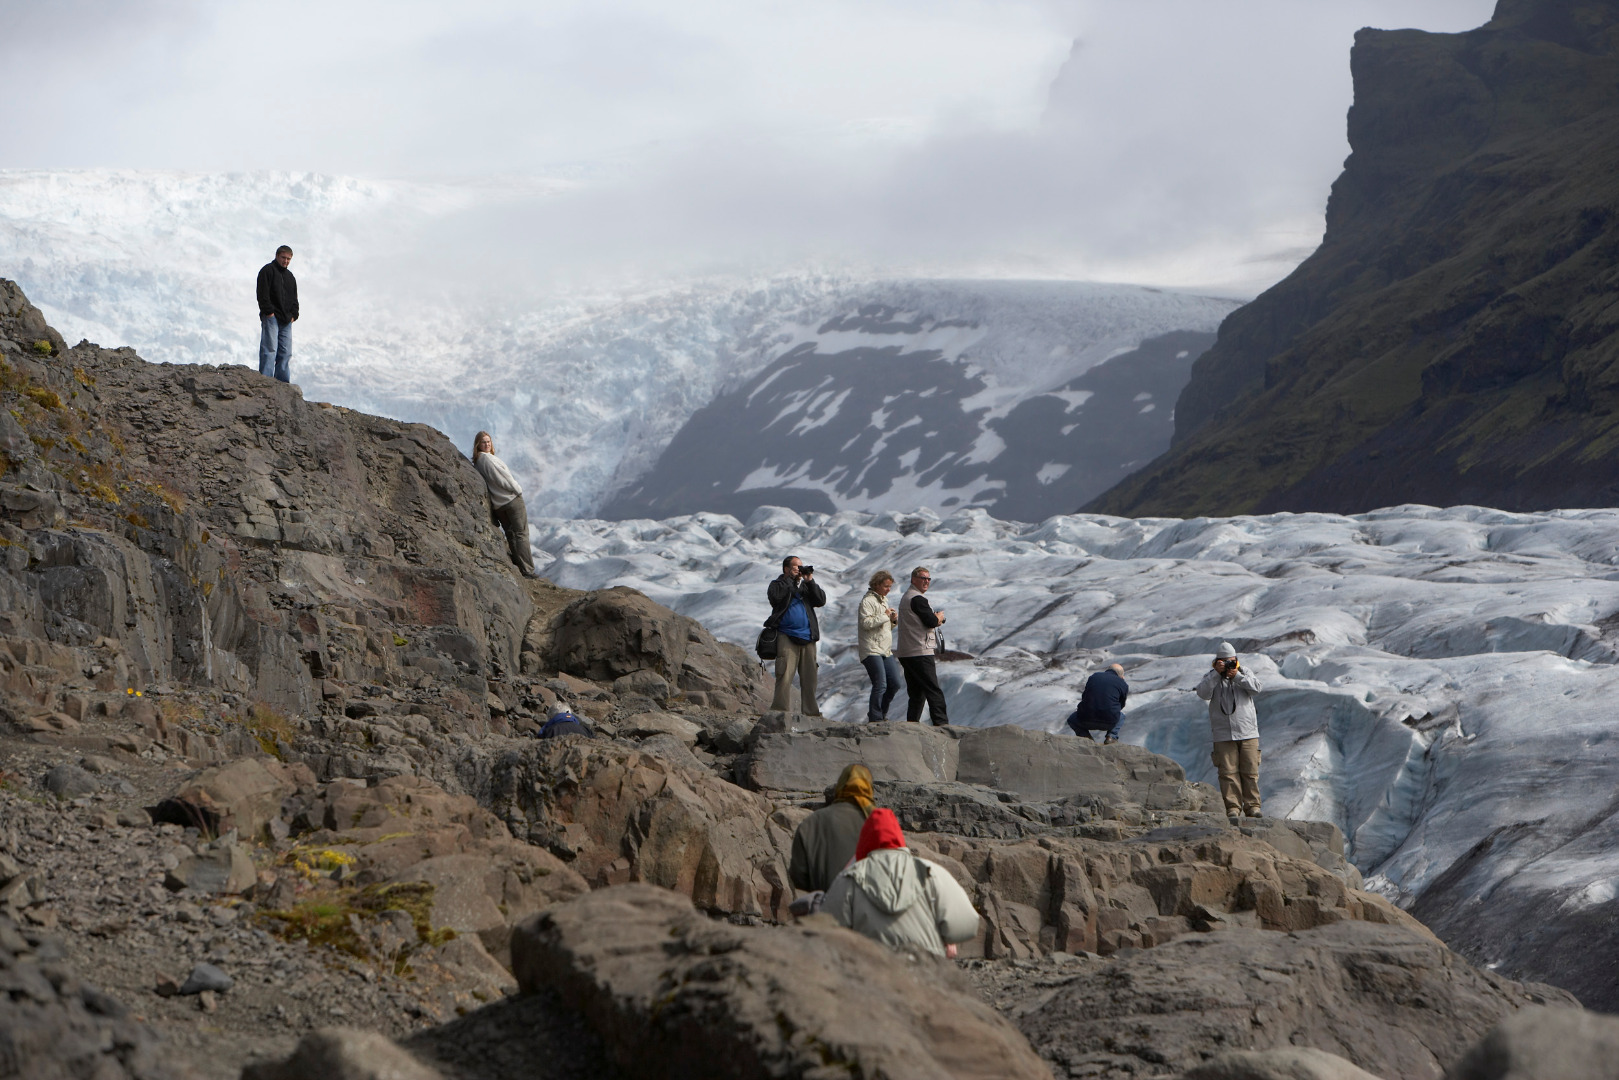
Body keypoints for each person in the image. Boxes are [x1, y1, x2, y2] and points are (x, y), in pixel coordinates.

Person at [822, 807, 979, 959]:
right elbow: (968, 923)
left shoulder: (851, 877)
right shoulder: (932, 872)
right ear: (899, 838)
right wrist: (945, 938)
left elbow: (827, 930)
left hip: (870, 973)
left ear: (864, 841)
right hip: (927, 971)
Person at [1195, 641, 1263, 825]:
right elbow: (1202, 693)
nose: (1228, 665)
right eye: (1224, 662)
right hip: (1223, 733)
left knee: (1250, 771)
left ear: (1236, 659)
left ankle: (1253, 807)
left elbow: (1257, 688)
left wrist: (1237, 676)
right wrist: (1217, 675)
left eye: (1231, 661)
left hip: (1247, 731)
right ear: (1217, 662)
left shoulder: (1244, 672)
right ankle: (1233, 808)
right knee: (1227, 772)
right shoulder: (1211, 676)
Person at [788, 764, 873, 895]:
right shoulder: (880, 824)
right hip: (872, 912)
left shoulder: (811, 823)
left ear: (840, 787)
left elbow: (799, 878)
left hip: (826, 910)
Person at [471, 431, 539, 578]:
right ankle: (528, 570)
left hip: (499, 505)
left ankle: (520, 566)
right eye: (484, 442)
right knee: (521, 534)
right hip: (511, 500)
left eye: (488, 441)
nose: (487, 444)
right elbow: (502, 479)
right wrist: (517, 489)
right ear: (478, 444)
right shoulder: (488, 459)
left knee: (511, 534)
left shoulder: (478, 462)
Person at [766, 555, 826, 715]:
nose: (800, 569)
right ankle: (780, 712)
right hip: (787, 636)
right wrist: (790, 580)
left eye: (801, 566)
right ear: (786, 569)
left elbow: (820, 600)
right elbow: (776, 598)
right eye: (796, 567)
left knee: (810, 678)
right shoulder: (777, 584)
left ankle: (811, 713)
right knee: (784, 675)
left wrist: (809, 581)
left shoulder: (805, 586)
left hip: (808, 638)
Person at [895, 566, 947, 726]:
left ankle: (912, 725)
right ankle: (942, 724)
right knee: (933, 690)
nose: (926, 581)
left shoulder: (907, 597)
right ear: (913, 579)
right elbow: (930, 621)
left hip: (906, 652)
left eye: (928, 579)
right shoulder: (918, 599)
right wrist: (938, 618)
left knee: (917, 693)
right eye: (923, 578)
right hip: (920, 650)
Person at [857, 571, 901, 722]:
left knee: (894, 683)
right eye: (886, 586)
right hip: (871, 649)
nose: (889, 589)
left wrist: (893, 620)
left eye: (890, 586)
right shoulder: (867, 602)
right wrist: (885, 616)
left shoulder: (883, 601)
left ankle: (881, 712)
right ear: (876, 585)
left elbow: (883, 628)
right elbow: (866, 623)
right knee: (880, 683)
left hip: (885, 650)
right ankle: (875, 717)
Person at [255, 245, 298, 383]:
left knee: (285, 353)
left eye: (288, 259)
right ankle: (266, 382)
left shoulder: (290, 277)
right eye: (283, 258)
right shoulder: (267, 271)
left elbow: (294, 299)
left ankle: (283, 384)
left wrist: (294, 315)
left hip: (286, 320)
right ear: (277, 256)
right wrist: (269, 312)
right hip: (271, 318)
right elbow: (262, 294)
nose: (286, 261)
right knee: (270, 349)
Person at [1068, 663, 1128, 744]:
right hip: (1109, 721)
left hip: (1086, 719)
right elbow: (1121, 704)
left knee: (1072, 719)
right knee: (1122, 716)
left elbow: (1085, 697)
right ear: (1121, 675)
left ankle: (1085, 738)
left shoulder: (1094, 676)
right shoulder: (1122, 683)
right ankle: (1111, 737)